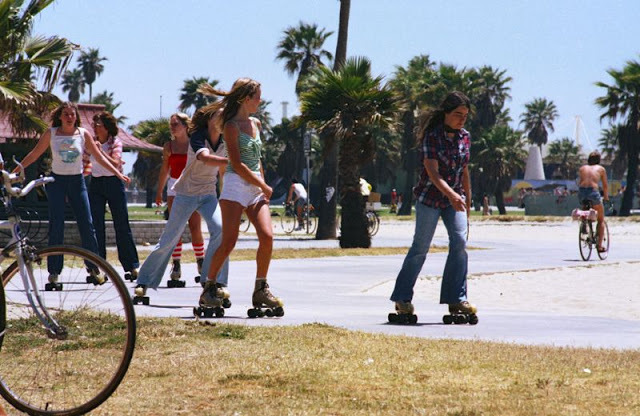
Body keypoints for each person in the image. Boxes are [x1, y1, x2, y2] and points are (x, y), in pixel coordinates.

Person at [16, 102, 130, 282]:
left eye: (72, 114)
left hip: (77, 182)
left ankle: (94, 268)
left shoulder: (83, 134)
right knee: (57, 225)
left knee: (87, 224)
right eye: (66, 114)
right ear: (60, 116)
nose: (70, 117)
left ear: (76, 117)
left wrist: (117, 174)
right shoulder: (51, 133)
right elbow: (35, 154)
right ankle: (54, 272)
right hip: (56, 182)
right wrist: (17, 169)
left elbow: (99, 157)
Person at [389, 91, 477, 320]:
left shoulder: (465, 136)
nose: (461, 119)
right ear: (446, 113)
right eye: (458, 114)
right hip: (430, 198)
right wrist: (451, 195)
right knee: (420, 248)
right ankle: (402, 298)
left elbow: (464, 170)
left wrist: (467, 200)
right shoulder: (432, 136)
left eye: (465, 115)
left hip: (455, 200)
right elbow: (432, 172)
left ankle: (456, 299)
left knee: (460, 243)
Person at [199, 78, 283, 314]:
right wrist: (264, 185)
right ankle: (209, 287)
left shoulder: (256, 123)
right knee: (229, 241)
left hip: (255, 186)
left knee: (267, 236)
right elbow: (236, 163)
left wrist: (262, 186)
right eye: (257, 96)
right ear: (246, 98)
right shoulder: (231, 126)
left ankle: (260, 289)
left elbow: (257, 160)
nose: (260, 100)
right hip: (236, 185)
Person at [134, 108, 230, 299]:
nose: (224, 118)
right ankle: (143, 282)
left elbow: (222, 173)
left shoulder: (225, 142)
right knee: (169, 238)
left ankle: (214, 281)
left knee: (221, 230)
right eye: (219, 115)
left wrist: (226, 195)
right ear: (210, 120)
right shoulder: (196, 137)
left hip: (209, 194)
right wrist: (232, 160)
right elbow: (205, 157)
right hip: (185, 194)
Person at [88, 111, 139, 279]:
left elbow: (116, 163)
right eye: (94, 125)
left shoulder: (115, 142)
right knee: (96, 226)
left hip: (114, 183)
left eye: (99, 125)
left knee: (121, 224)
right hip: (95, 183)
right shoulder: (90, 143)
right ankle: (97, 266)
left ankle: (131, 266)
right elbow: (84, 164)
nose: (96, 128)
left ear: (107, 128)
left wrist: (98, 151)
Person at [156, 113, 206, 283]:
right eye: (171, 124)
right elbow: (164, 169)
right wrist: (159, 191)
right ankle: (176, 264)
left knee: (195, 227)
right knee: (175, 227)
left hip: (192, 187)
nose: (172, 127)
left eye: (176, 124)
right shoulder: (169, 146)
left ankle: (201, 262)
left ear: (185, 126)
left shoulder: (195, 144)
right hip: (174, 188)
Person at [577, 151, 609, 252]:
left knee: (585, 206)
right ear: (599, 161)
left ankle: (584, 224)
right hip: (593, 192)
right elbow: (605, 185)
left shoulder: (582, 168)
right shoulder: (601, 169)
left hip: (582, 192)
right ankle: (599, 247)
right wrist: (606, 198)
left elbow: (580, 182)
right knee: (601, 219)